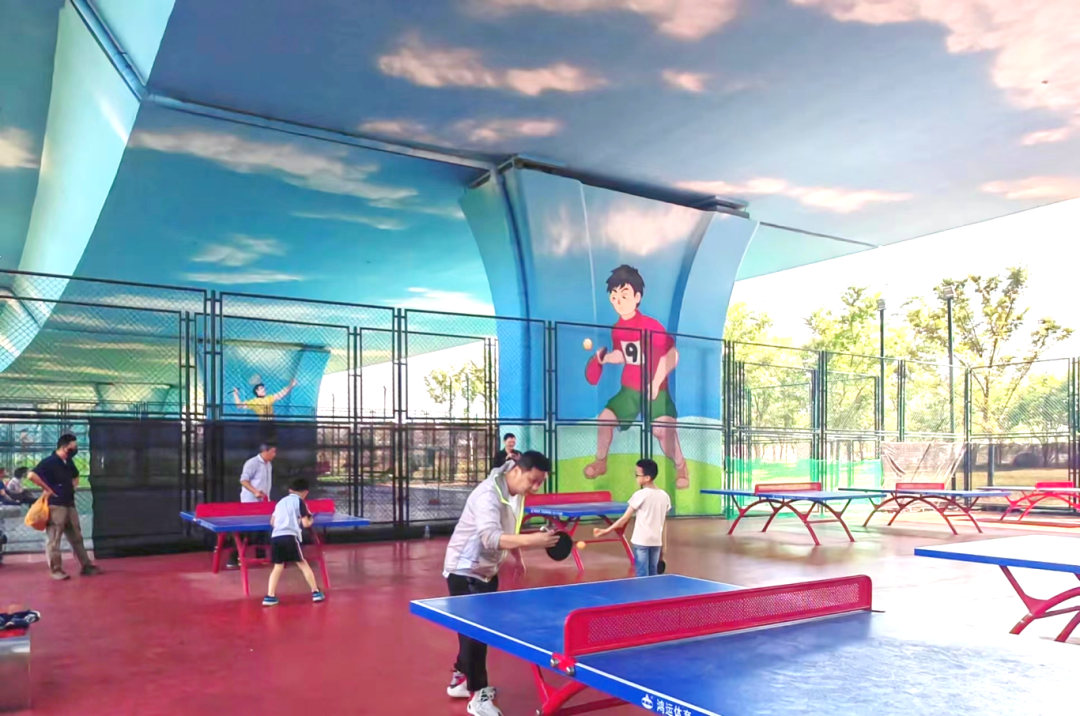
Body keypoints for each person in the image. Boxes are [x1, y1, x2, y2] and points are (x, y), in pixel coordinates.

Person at [443, 451, 559, 716]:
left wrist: (517, 558)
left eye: (540, 482)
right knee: (476, 634)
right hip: (465, 570)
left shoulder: (515, 492)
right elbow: (491, 537)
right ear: (516, 471)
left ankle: (461, 680)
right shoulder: (488, 494)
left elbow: (509, 530)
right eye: (533, 480)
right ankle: (478, 697)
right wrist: (534, 541)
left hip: (485, 570)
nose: (536, 487)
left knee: (472, 631)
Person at [584, 266, 690, 488]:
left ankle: (681, 466)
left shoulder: (651, 325)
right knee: (605, 418)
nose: (618, 301)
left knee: (662, 431)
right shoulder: (617, 329)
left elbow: (673, 354)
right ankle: (601, 462)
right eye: (614, 297)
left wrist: (656, 382)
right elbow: (623, 355)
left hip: (656, 389)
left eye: (624, 296)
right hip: (630, 389)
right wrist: (605, 358)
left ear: (637, 297)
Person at [26, 434, 101, 580]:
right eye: (74, 446)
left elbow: (76, 475)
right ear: (65, 447)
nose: (76, 448)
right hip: (56, 505)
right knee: (54, 538)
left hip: (69, 503)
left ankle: (86, 566)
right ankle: (56, 570)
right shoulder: (50, 461)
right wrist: (48, 489)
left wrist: (73, 486)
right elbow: (31, 475)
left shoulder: (68, 462)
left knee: (76, 537)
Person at [594, 459, 671, 577]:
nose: (635, 478)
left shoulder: (640, 495)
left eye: (637, 475)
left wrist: (606, 530)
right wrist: (664, 546)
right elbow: (664, 523)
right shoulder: (664, 496)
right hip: (656, 542)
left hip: (641, 542)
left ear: (647, 478)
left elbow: (624, 519)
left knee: (642, 575)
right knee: (653, 576)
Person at [263, 478, 325, 606]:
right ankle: (315, 592)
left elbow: (272, 522)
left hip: (276, 537)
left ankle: (270, 596)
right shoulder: (300, 502)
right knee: (302, 564)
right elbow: (306, 524)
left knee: (278, 566)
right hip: (290, 537)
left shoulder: (280, 503)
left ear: (290, 490)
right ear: (305, 492)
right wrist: (311, 519)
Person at [227, 443, 276, 568]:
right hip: (250, 502)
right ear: (265, 451)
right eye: (273, 452)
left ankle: (260, 556)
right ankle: (233, 558)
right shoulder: (252, 463)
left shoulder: (268, 464)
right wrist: (255, 492)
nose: (274, 455)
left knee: (262, 529)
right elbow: (243, 480)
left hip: (263, 502)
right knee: (245, 530)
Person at [233, 380, 297, 419]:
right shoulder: (254, 402)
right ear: (257, 391)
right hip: (263, 425)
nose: (264, 389)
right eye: (261, 388)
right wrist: (235, 394)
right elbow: (239, 406)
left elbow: (282, 393)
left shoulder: (269, 398)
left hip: (272, 424)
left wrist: (291, 385)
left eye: (264, 388)